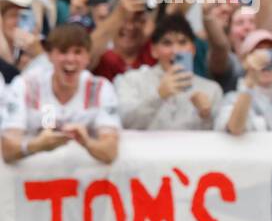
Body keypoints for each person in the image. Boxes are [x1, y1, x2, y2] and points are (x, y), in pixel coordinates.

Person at [1, 23, 120, 164]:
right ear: (49, 56)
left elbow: (110, 151)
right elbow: (7, 149)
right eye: (63, 52)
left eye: (78, 52)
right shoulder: (26, 85)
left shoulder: (100, 88)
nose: (70, 59)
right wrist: (36, 146)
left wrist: (86, 142)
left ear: (88, 57)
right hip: (32, 180)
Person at [114, 14, 223, 130]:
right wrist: (159, 96)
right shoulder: (131, 80)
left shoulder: (211, 89)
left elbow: (222, 137)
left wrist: (206, 116)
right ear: (154, 50)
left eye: (182, 42)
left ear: (193, 49)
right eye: (167, 43)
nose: (175, 51)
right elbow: (125, 123)